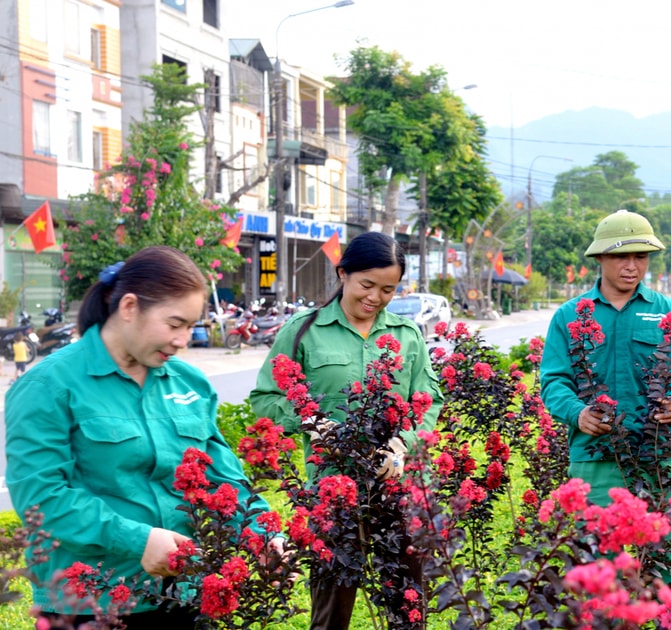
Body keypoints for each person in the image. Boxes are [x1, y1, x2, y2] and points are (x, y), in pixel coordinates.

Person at [5, 246, 274, 628]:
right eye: (175, 324)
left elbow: (222, 477)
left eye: (191, 326)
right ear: (129, 307)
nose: (184, 339)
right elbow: (41, 498)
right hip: (88, 602)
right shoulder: (49, 386)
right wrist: (138, 540)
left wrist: (262, 533)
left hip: (184, 592)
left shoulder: (190, 383)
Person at [249, 231, 444, 630]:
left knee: (406, 608)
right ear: (343, 274)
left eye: (388, 289)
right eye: (367, 285)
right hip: (331, 492)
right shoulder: (305, 330)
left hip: (395, 489)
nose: (375, 297)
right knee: (330, 609)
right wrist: (310, 421)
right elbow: (264, 399)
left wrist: (402, 444)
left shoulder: (407, 336)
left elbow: (429, 400)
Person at [539, 210, 671, 583]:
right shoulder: (569, 316)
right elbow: (553, 381)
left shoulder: (670, 313)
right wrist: (578, 413)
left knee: (669, 558)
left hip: (656, 455)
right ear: (600, 258)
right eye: (620, 256)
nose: (631, 267)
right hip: (596, 457)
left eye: (640, 257)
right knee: (597, 563)